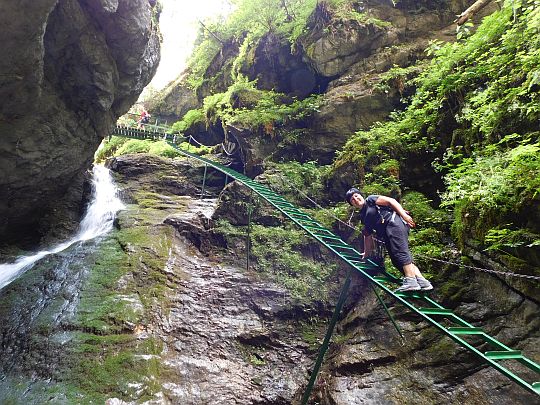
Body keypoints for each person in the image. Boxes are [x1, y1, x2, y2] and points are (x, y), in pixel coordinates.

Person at [345, 187, 433, 292]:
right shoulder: (363, 216)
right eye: (352, 200)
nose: (355, 199)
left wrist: (404, 215)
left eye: (356, 195)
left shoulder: (370, 200)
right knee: (396, 259)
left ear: (360, 195)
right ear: (352, 205)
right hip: (387, 233)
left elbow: (391, 201)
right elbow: (367, 236)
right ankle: (422, 281)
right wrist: (366, 253)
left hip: (393, 223)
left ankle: (411, 281)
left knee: (399, 251)